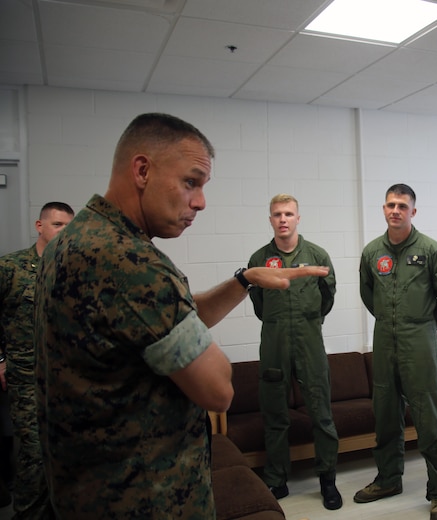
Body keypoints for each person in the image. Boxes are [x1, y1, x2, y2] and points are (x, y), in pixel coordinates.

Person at [34, 113, 330, 518]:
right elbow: (219, 390)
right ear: (142, 170)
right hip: (143, 497)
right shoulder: (131, 262)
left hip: (88, 489)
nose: (201, 201)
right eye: (191, 182)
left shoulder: (74, 239)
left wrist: (244, 280)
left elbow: (167, 318)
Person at [355, 183, 437, 520]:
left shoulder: (431, 250)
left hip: (420, 340)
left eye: (402, 205)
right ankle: (388, 479)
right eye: (390, 205)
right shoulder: (373, 252)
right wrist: (390, 321)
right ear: (383, 209)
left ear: (413, 212)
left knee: (429, 419)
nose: (395, 210)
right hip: (385, 338)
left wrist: (425, 325)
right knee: (385, 414)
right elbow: (367, 293)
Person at [247, 193, 342, 510]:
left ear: (298, 218)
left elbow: (327, 297)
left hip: (309, 343)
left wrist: (309, 320)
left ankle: (328, 481)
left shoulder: (317, 256)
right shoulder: (259, 259)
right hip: (274, 345)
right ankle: (277, 480)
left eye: (288, 213)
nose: (283, 219)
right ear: (270, 219)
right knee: (275, 417)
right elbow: (259, 306)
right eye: (277, 214)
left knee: (322, 415)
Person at [1, 201, 74, 518]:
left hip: (71, 385)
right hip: (29, 383)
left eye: (69, 227)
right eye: (58, 224)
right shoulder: (10, 269)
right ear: (39, 226)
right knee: (33, 463)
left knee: (69, 464)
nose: (63, 232)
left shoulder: (75, 270)